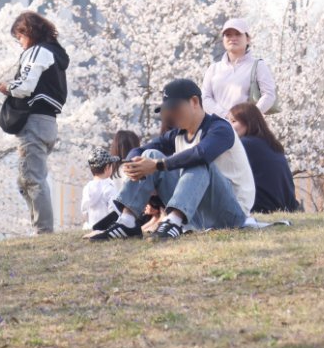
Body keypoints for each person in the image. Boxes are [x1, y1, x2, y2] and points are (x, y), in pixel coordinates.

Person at [88, 79, 253, 242]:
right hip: (195, 215)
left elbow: (201, 154)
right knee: (151, 154)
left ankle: (173, 221)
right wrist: (134, 166)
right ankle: (127, 222)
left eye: (175, 108)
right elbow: (139, 150)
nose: (171, 114)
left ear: (194, 102)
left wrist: (158, 166)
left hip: (230, 213)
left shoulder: (220, 128)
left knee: (196, 161)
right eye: (168, 109)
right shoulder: (178, 134)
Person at [0, 11, 70, 235]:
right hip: (48, 122)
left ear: (28, 32)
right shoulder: (55, 54)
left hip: (34, 122)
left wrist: (8, 87)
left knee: (33, 179)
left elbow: (26, 86)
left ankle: (43, 232)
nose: (20, 43)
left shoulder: (36, 51)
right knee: (25, 180)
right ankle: (40, 227)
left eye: (19, 37)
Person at [228, 102, 299, 214]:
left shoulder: (245, 144)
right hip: (287, 206)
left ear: (248, 122)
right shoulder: (272, 144)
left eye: (233, 121)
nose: (229, 126)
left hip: (262, 207)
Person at [202, 17, 277, 119]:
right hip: (218, 128)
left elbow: (269, 95)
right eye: (228, 35)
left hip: (247, 129)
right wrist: (225, 115)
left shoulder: (258, 65)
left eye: (238, 34)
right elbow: (205, 98)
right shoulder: (213, 69)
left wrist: (249, 118)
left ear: (248, 39)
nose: (233, 38)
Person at [81, 150, 121, 230]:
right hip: (106, 227)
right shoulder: (109, 187)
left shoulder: (87, 188)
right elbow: (113, 211)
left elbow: (84, 210)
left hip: (91, 226)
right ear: (107, 168)